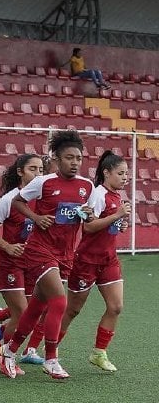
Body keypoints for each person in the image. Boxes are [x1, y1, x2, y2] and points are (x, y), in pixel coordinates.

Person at [0, 130, 94, 380]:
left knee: (36, 307)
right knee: (59, 302)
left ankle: (9, 351)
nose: (74, 162)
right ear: (57, 158)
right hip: (40, 251)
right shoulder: (44, 182)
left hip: (65, 253)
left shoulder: (87, 186)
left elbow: (88, 215)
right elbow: (18, 202)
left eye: (78, 158)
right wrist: (36, 217)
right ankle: (51, 358)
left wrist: (89, 215)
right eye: (69, 158)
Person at [58, 151, 130, 371]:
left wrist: (119, 224)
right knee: (72, 310)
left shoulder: (116, 195)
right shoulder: (98, 194)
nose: (125, 177)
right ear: (106, 173)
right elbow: (88, 227)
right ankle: (49, 349)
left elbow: (106, 225)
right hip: (87, 261)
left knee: (116, 307)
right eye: (121, 173)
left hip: (109, 260)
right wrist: (116, 216)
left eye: (127, 173)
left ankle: (99, 353)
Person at [0, 154, 44, 371]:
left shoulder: (43, 199)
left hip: (34, 264)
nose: (38, 174)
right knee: (23, 313)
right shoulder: (9, 200)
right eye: (32, 169)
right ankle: (8, 357)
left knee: (31, 314)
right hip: (9, 263)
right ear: (20, 172)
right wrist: (7, 246)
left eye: (40, 170)